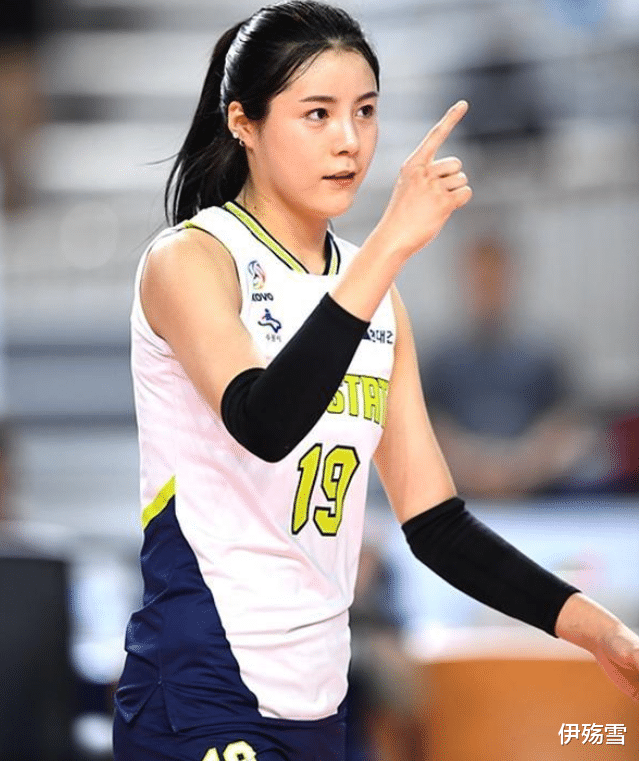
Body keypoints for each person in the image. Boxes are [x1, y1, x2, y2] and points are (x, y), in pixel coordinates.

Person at [113, 3, 639, 760]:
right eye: (317, 113)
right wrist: (390, 245)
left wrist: (599, 629)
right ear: (243, 123)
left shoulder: (376, 296)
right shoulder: (191, 259)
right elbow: (263, 423)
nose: (349, 140)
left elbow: (437, 525)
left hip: (318, 695)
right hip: (200, 685)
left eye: (364, 111)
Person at [421, 233, 593, 498]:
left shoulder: (544, 355)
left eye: (495, 279)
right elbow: (422, 428)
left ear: (512, 278)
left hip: (537, 497)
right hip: (456, 497)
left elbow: (570, 427)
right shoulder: (440, 359)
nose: (487, 288)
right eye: (480, 280)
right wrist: (471, 468)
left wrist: (523, 467)